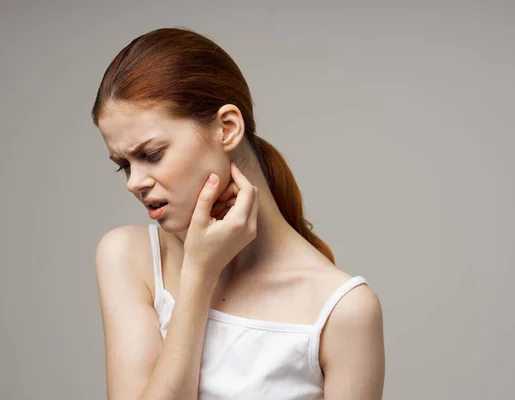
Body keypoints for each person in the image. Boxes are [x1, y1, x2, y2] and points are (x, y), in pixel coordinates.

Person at [92, 27, 385, 400]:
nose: (135, 182)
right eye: (124, 165)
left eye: (151, 154)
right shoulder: (128, 258)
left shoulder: (344, 311)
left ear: (227, 129)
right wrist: (200, 274)